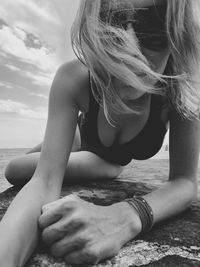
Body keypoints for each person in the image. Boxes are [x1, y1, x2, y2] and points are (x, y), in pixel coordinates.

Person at [1, 0, 200, 265]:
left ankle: (63, 145)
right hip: (85, 142)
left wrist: (129, 215)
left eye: (152, 25)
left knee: (99, 168)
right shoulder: (73, 78)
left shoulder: (180, 87)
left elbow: (185, 181)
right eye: (110, 23)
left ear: (177, 31)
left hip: (108, 162)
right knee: (15, 170)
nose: (130, 53)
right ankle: (66, 142)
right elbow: (45, 181)